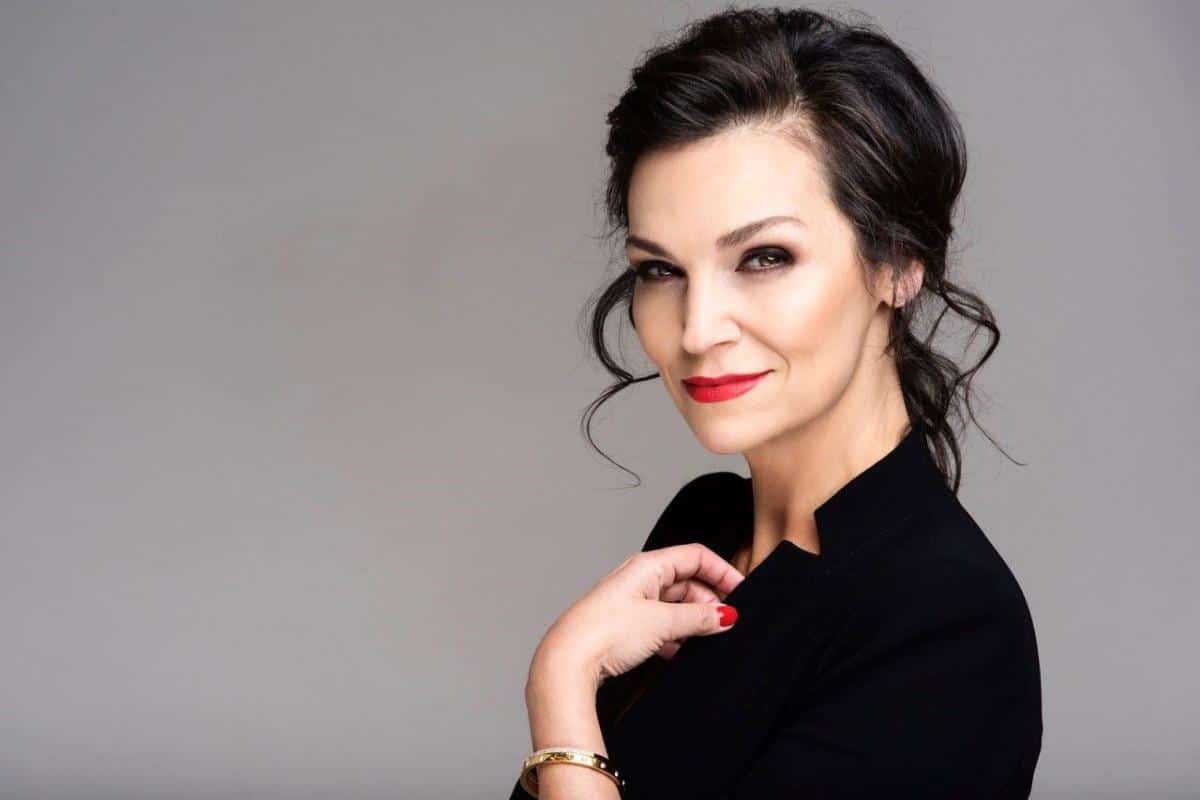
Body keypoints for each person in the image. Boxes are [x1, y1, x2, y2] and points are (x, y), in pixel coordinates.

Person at [509, 6, 1042, 798]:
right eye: (660, 270)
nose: (697, 330)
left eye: (764, 257)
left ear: (899, 264)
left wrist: (561, 684)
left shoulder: (949, 624)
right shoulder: (705, 529)